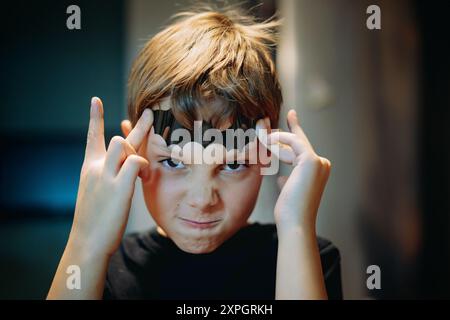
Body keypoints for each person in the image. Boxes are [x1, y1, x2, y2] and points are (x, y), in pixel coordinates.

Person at [47, 5, 342, 300]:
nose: (202, 200)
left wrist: (296, 228)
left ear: (267, 153)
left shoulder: (304, 256)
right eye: (174, 161)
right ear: (133, 151)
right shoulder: (99, 267)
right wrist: (86, 241)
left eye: (233, 165)